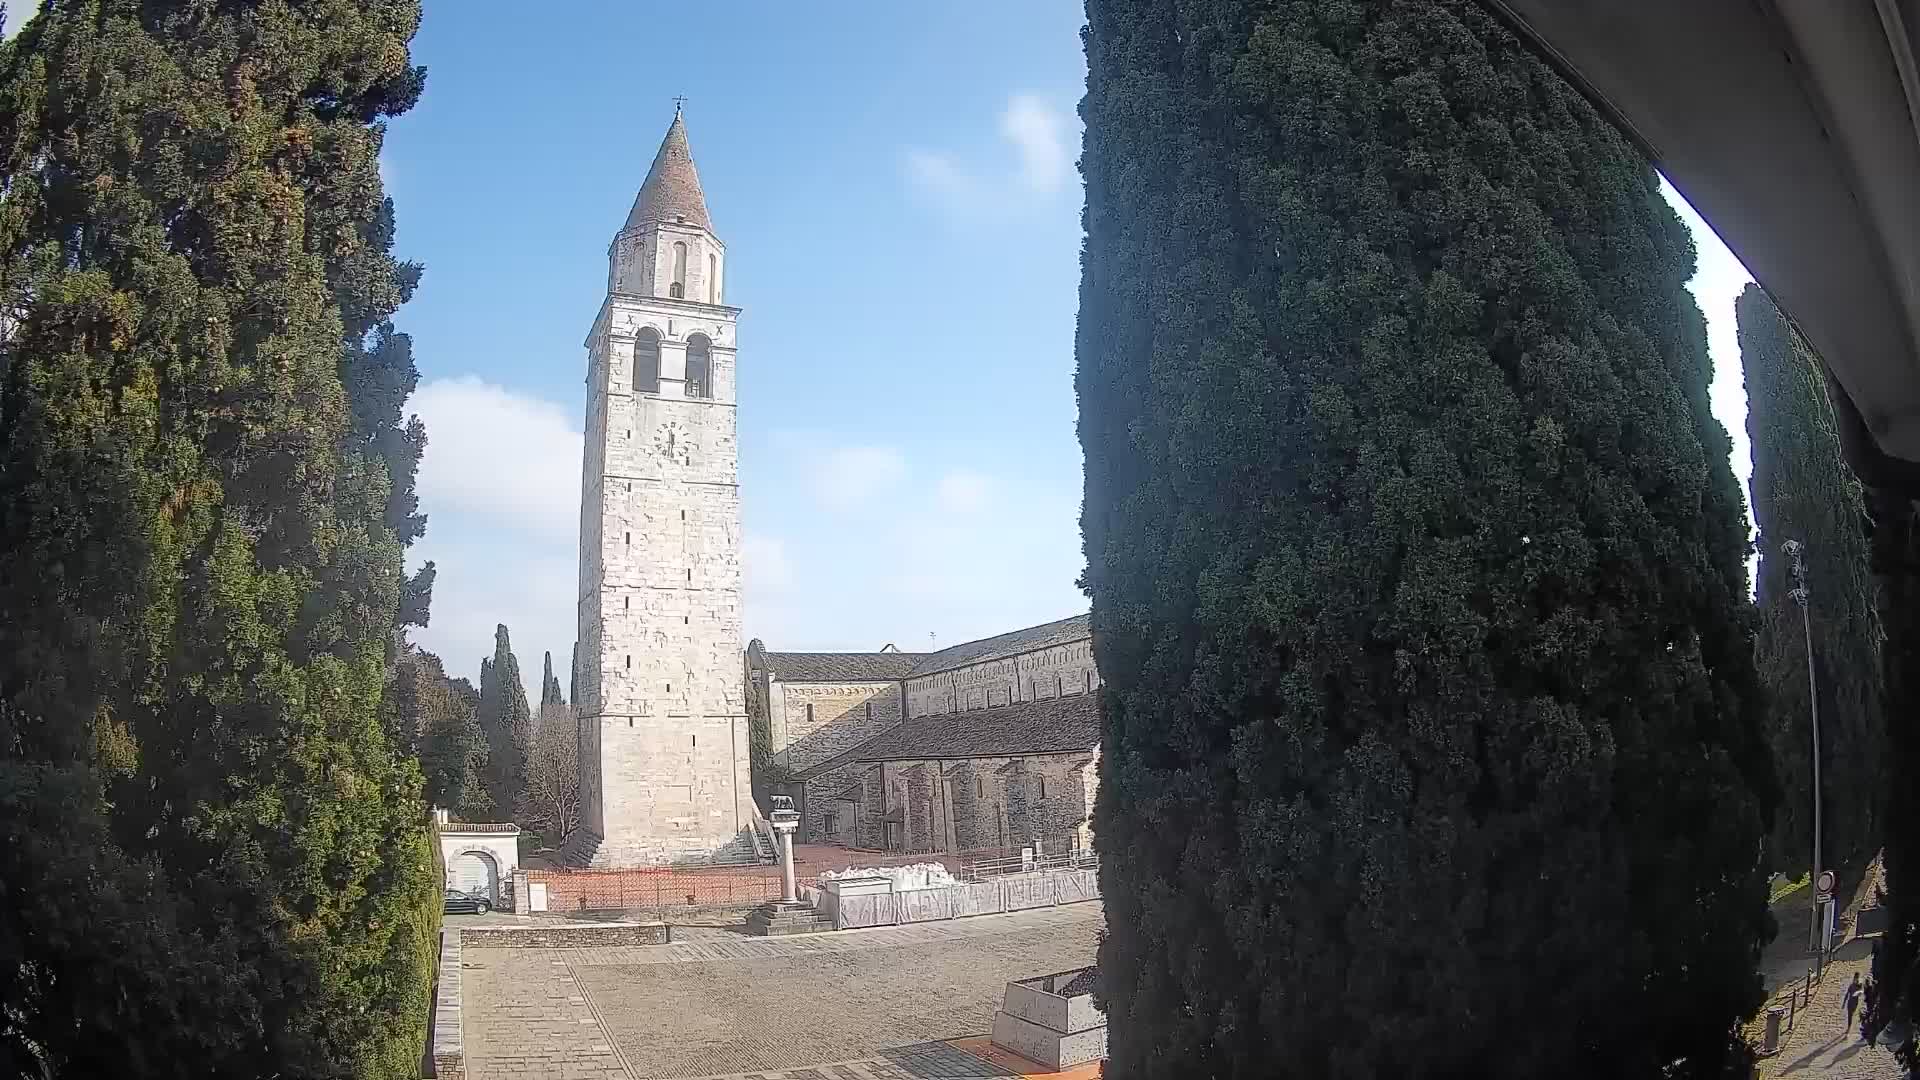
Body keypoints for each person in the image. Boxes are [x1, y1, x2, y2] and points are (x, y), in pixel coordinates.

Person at [1844, 972, 1864, 1038]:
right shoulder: (1851, 985)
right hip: (1850, 1002)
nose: (1855, 979)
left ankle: (1849, 1028)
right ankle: (1848, 1028)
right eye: (1855, 977)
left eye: (1857, 977)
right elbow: (1847, 993)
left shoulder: (1859, 985)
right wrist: (1844, 1003)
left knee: (1851, 1015)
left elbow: (1861, 992)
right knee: (1850, 1016)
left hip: (1855, 1003)